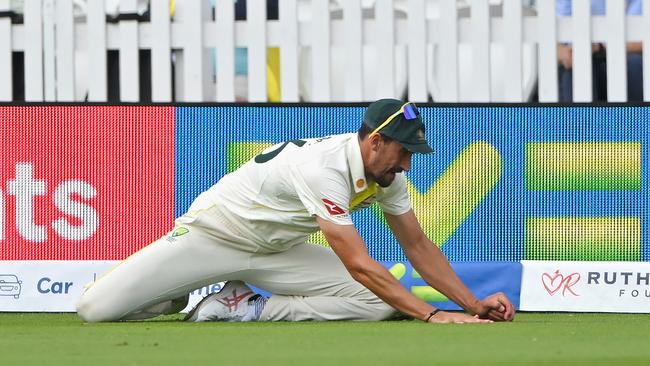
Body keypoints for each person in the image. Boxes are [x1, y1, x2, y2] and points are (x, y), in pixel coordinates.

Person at [76, 99, 516, 324]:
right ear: (375, 142)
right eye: (404, 152)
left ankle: (245, 307)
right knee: (93, 310)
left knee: (378, 304)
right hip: (214, 235)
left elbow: (418, 245)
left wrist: (474, 306)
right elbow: (359, 264)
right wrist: (434, 315)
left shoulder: (387, 176)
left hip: (277, 251)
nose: (406, 165)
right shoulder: (324, 169)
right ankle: (171, 292)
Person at [556, 0, 643, 101]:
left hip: (626, 58)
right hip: (580, 57)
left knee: (634, 64)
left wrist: (599, 47)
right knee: (576, 68)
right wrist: (564, 52)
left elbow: (642, 39)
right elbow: (556, 34)